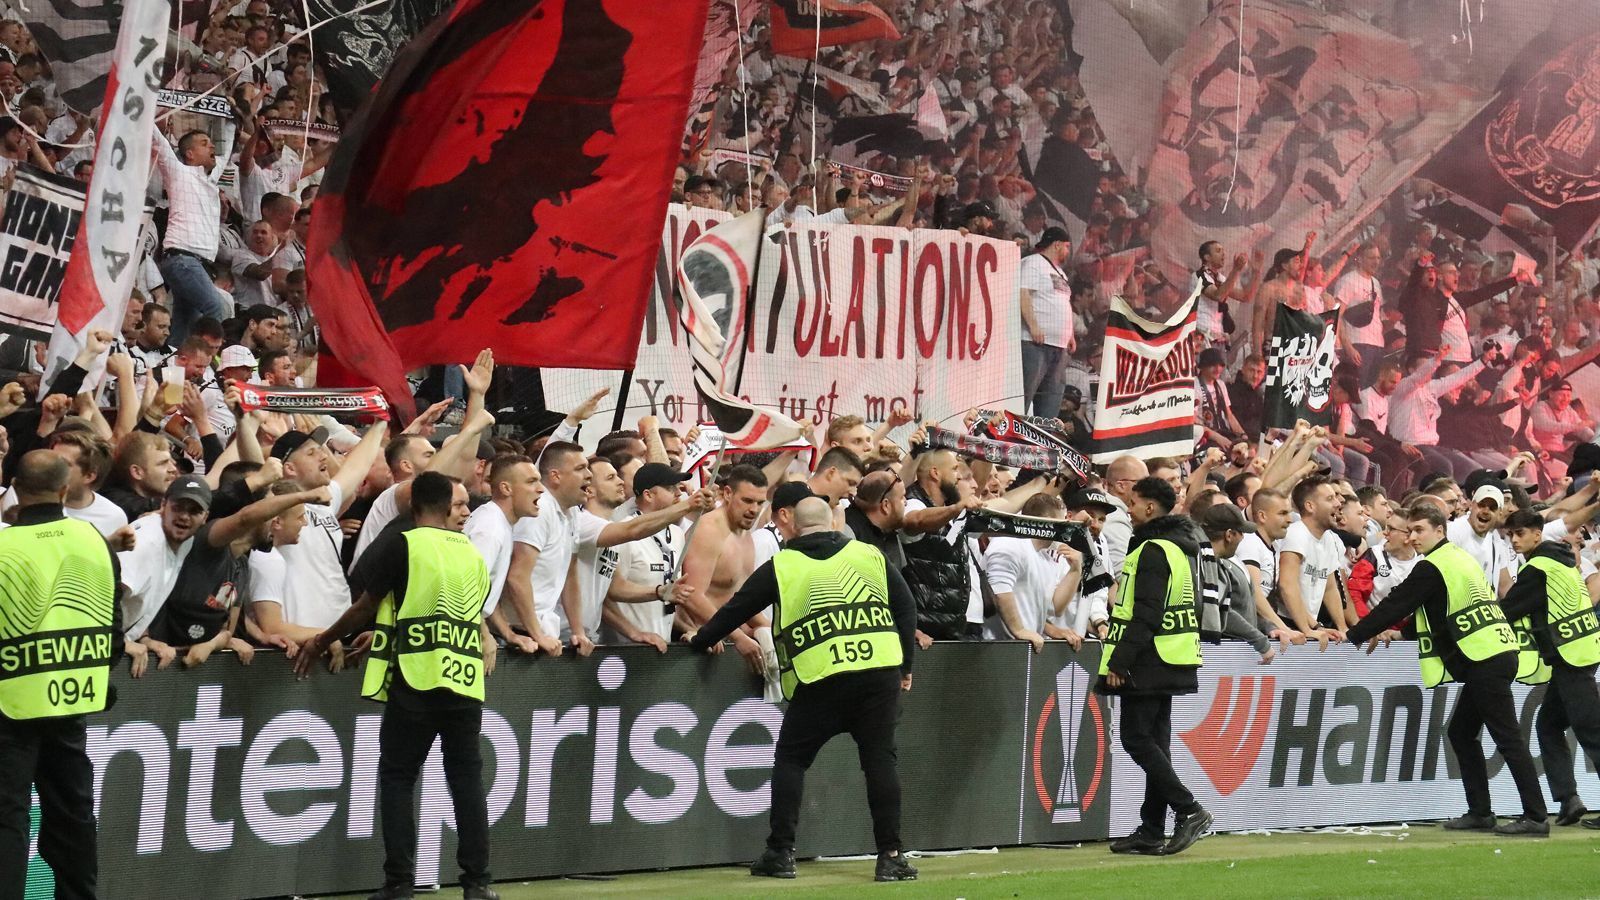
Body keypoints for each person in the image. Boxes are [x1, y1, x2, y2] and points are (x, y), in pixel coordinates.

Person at [689, 498, 919, 883]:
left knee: (792, 760)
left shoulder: (783, 564)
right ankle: (891, 857)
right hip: (877, 673)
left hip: (820, 677)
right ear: (832, 522)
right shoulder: (868, 554)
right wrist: (906, 666)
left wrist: (701, 640)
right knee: (880, 762)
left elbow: (735, 609)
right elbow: (907, 606)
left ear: (792, 526)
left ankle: (781, 852)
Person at [294, 473, 500, 900]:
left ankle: (399, 883)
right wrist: (387, 632)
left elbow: (366, 605)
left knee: (398, 778)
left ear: (413, 505)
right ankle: (478, 884)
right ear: (447, 507)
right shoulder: (470, 552)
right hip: (464, 680)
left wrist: (321, 640)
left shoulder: (405, 541)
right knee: (466, 780)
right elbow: (455, 613)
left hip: (417, 677)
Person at [1345, 504, 1548, 835]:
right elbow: (1437, 608)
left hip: (1485, 656)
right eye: (1409, 531)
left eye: (1419, 530)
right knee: (1462, 732)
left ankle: (1536, 817)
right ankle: (1481, 812)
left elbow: (1398, 604)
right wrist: (1400, 633)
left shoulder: (1432, 566)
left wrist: (1354, 636)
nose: (1412, 537)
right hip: (1496, 651)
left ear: (1440, 530)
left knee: (1507, 737)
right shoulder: (1457, 557)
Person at [0, 451, 120, 900]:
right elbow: (114, 628)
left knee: (8, 820)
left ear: (14, 487)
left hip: (10, 706)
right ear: (65, 490)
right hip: (73, 701)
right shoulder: (94, 540)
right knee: (72, 815)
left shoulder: (3, 546)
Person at [1097, 476, 1211, 856]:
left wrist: (1120, 661)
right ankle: (1151, 828)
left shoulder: (1151, 550)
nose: (1126, 509)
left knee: (1136, 738)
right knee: (1156, 743)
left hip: (1147, 659)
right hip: (1172, 656)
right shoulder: (1180, 547)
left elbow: (1144, 613)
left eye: (1131, 502)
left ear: (1149, 508)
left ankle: (1189, 809)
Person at [1500, 509, 1600, 828]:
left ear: (1537, 534)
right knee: (1548, 725)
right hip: (1580, 651)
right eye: (1510, 535)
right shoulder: (1563, 561)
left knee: (1591, 731)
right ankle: (1569, 799)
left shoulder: (1538, 568)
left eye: (1520, 534)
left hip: (1572, 656)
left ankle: (1569, 798)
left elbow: (1509, 609)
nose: (1514, 540)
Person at [1020, 226, 1075, 417]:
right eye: (1066, 247)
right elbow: (1023, 293)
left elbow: (1063, 302)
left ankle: (1044, 443)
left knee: (1051, 400)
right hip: (1035, 344)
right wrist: (1033, 325)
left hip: (1059, 346)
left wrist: (1070, 335)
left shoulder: (1061, 272)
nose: (1068, 251)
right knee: (1025, 397)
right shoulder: (1033, 263)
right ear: (1057, 244)